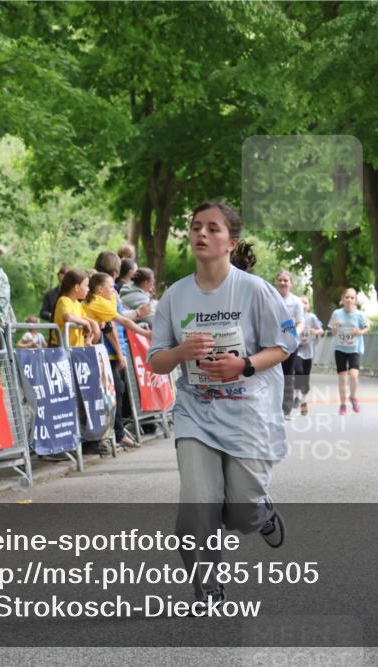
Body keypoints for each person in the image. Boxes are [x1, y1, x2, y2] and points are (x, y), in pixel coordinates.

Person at [147, 200, 297, 607]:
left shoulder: (254, 290)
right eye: (196, 227)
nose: (201, 234)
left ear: (231, 242)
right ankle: (206, 586)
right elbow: (155, 360)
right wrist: (182, 351)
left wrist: (244, 365)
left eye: (213, 229)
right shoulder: (175, 296)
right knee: (199, 505)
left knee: (243, 510)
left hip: (248, 412)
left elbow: (286, 343)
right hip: (197, 412)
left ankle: (262, 514)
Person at [84, 271, 153, 451]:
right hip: (99, 353)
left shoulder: (105, 301)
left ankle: (116, 432)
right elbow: (121, 321)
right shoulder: (98, 302)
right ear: (99, 289)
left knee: (118, 389)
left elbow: (110, 327)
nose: (114, 290)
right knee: (114, 391)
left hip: (106, 353)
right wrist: (145, 333)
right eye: (110, 287)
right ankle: (114, 433)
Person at [330, 287, 369, 415]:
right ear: (342, 300)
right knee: (342, 378)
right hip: (340, 348)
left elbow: (367, 327)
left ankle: (353, 397)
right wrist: (335, 328)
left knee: (353, 375)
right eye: (346, 297)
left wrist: (360, 332)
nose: (349, 300)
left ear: (355, 301)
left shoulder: (360, 315)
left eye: (352, 297)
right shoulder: (336, 313)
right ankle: (342, 405)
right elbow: (333, 333)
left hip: (354, 349)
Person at [275, 270, 305, 418]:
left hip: (290, 343)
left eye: (285, 280)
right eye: (280, 280)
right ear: (276, 282)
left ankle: (286, 410)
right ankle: (273, 407)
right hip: (273, 343)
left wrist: (293, 335)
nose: (282, 283)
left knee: (288, 375)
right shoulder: (271, 299)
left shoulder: (296, 301)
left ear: (291, 284)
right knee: (273, 375)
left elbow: (300, 323)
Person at [53, 269, 98, 348]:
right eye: (86, 285)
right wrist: (86, 323)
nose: (88, 289)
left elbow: (83, 318)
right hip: (62, 349)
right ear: (77, 287)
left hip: (75, 348)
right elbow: (68, 317)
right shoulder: (64, 300)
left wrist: (92, 323)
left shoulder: (78, 304)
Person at [294, 295, 323, 416]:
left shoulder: (312, 317)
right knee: (299, 372)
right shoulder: (293, 317)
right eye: (300, 303)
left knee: (305, 378)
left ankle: (303, 401)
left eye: (305, 303)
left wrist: (315, 331)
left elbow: (321, 330)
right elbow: (285, 329)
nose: (303, 305)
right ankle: (296, 396)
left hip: (309, 352)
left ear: (309, 305)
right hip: (297, 350)